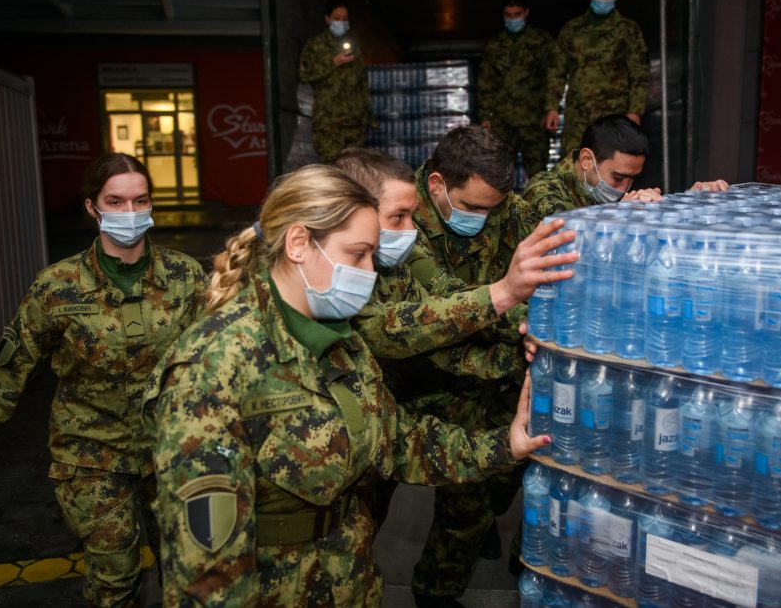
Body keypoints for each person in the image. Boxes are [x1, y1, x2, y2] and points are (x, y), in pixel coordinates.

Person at [146, 165, 550, 607]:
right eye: (358, 255)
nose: (369, 272)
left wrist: (504, 445)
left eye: (371, 256)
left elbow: (398, 442)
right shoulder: (213, 367)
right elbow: (207, 578)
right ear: (298, 244)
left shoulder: (339, 341)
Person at [0, 153, 207, 607]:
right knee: (115, 579)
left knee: (189, 570)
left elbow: (217, 359)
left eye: (140, 200)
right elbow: (11, 367)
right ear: (92, 207)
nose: (130, 212)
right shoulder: (57, 286)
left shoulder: (186, 276)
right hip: (91, 453)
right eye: (116, 201)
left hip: (171, 446)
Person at [333, 148, 575, 531]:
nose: (411, 230)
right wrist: (503, 293)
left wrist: (521, 346)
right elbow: (385, 329)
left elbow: (438, 334)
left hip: (387, 418)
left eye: (411, 216)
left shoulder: (388, 263)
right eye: (398, 217)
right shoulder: (254, 333)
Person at [408, 126, 537, 607]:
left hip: (489, 367)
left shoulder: (500, 204)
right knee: (462, 505)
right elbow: (441, 299)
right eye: (473, 207)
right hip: (422, 374)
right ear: (438, 184)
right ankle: (434, 593)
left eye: (492, 208)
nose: (483, 219)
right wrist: (520, 323)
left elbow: (553, 232)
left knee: (498, 480)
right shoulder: (400, 217)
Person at [523, 114, 730, 220]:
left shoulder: (606, 185)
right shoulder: (542, 191)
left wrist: (689, 202)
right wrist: (619, 214)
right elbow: (568, 238)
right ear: (586, 159)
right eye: (618, 178)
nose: (624, 188)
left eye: (632, 179)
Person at [542, 0, 650, 157]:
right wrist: (551, 107)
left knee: (613, 166)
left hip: (614, 118)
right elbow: (556, 71)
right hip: (578, 118)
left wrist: (635, 112)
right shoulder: (572, 30)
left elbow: (639, 74)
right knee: (575, 165)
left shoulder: (628, 30)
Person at [478, 0, 555, 178]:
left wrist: (550, 108)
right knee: (499, 171)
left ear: (526, 12)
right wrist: (485, 117)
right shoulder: (494, 46)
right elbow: (486, 83)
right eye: (509, 15)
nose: (513, 19)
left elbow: (553, 76)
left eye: (517, 14)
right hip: (503, 120)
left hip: (534, 119)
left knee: (537, 172)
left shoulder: (541, 41)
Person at [298, 0, 374, 163]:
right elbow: (304, 75)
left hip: (353, 124)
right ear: (328, 19)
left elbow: (362, 85)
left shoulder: (354, 48)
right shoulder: (316, 46)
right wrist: (333, 62)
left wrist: (368, 117)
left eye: (345, 18)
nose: (341, 22)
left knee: (355, 168)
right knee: (333, 168)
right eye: (337, 18)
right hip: (329, 123)